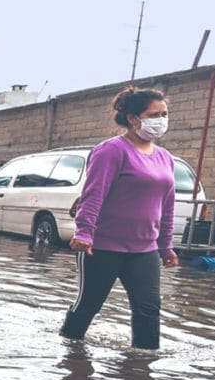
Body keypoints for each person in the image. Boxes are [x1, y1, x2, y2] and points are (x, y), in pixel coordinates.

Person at [59, 86, 178, 350]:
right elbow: (93, 195)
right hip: (102, 247)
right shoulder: (111, 151)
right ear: (134, 119)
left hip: (144, 250)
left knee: (148, 312)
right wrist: (84, 233)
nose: (161, 119)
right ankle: (69, 356)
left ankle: (141, 373)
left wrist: (166, 246)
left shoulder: (166, 158)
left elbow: (167, 206)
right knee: (88, 306)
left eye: (164, 113)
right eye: (154, 114)